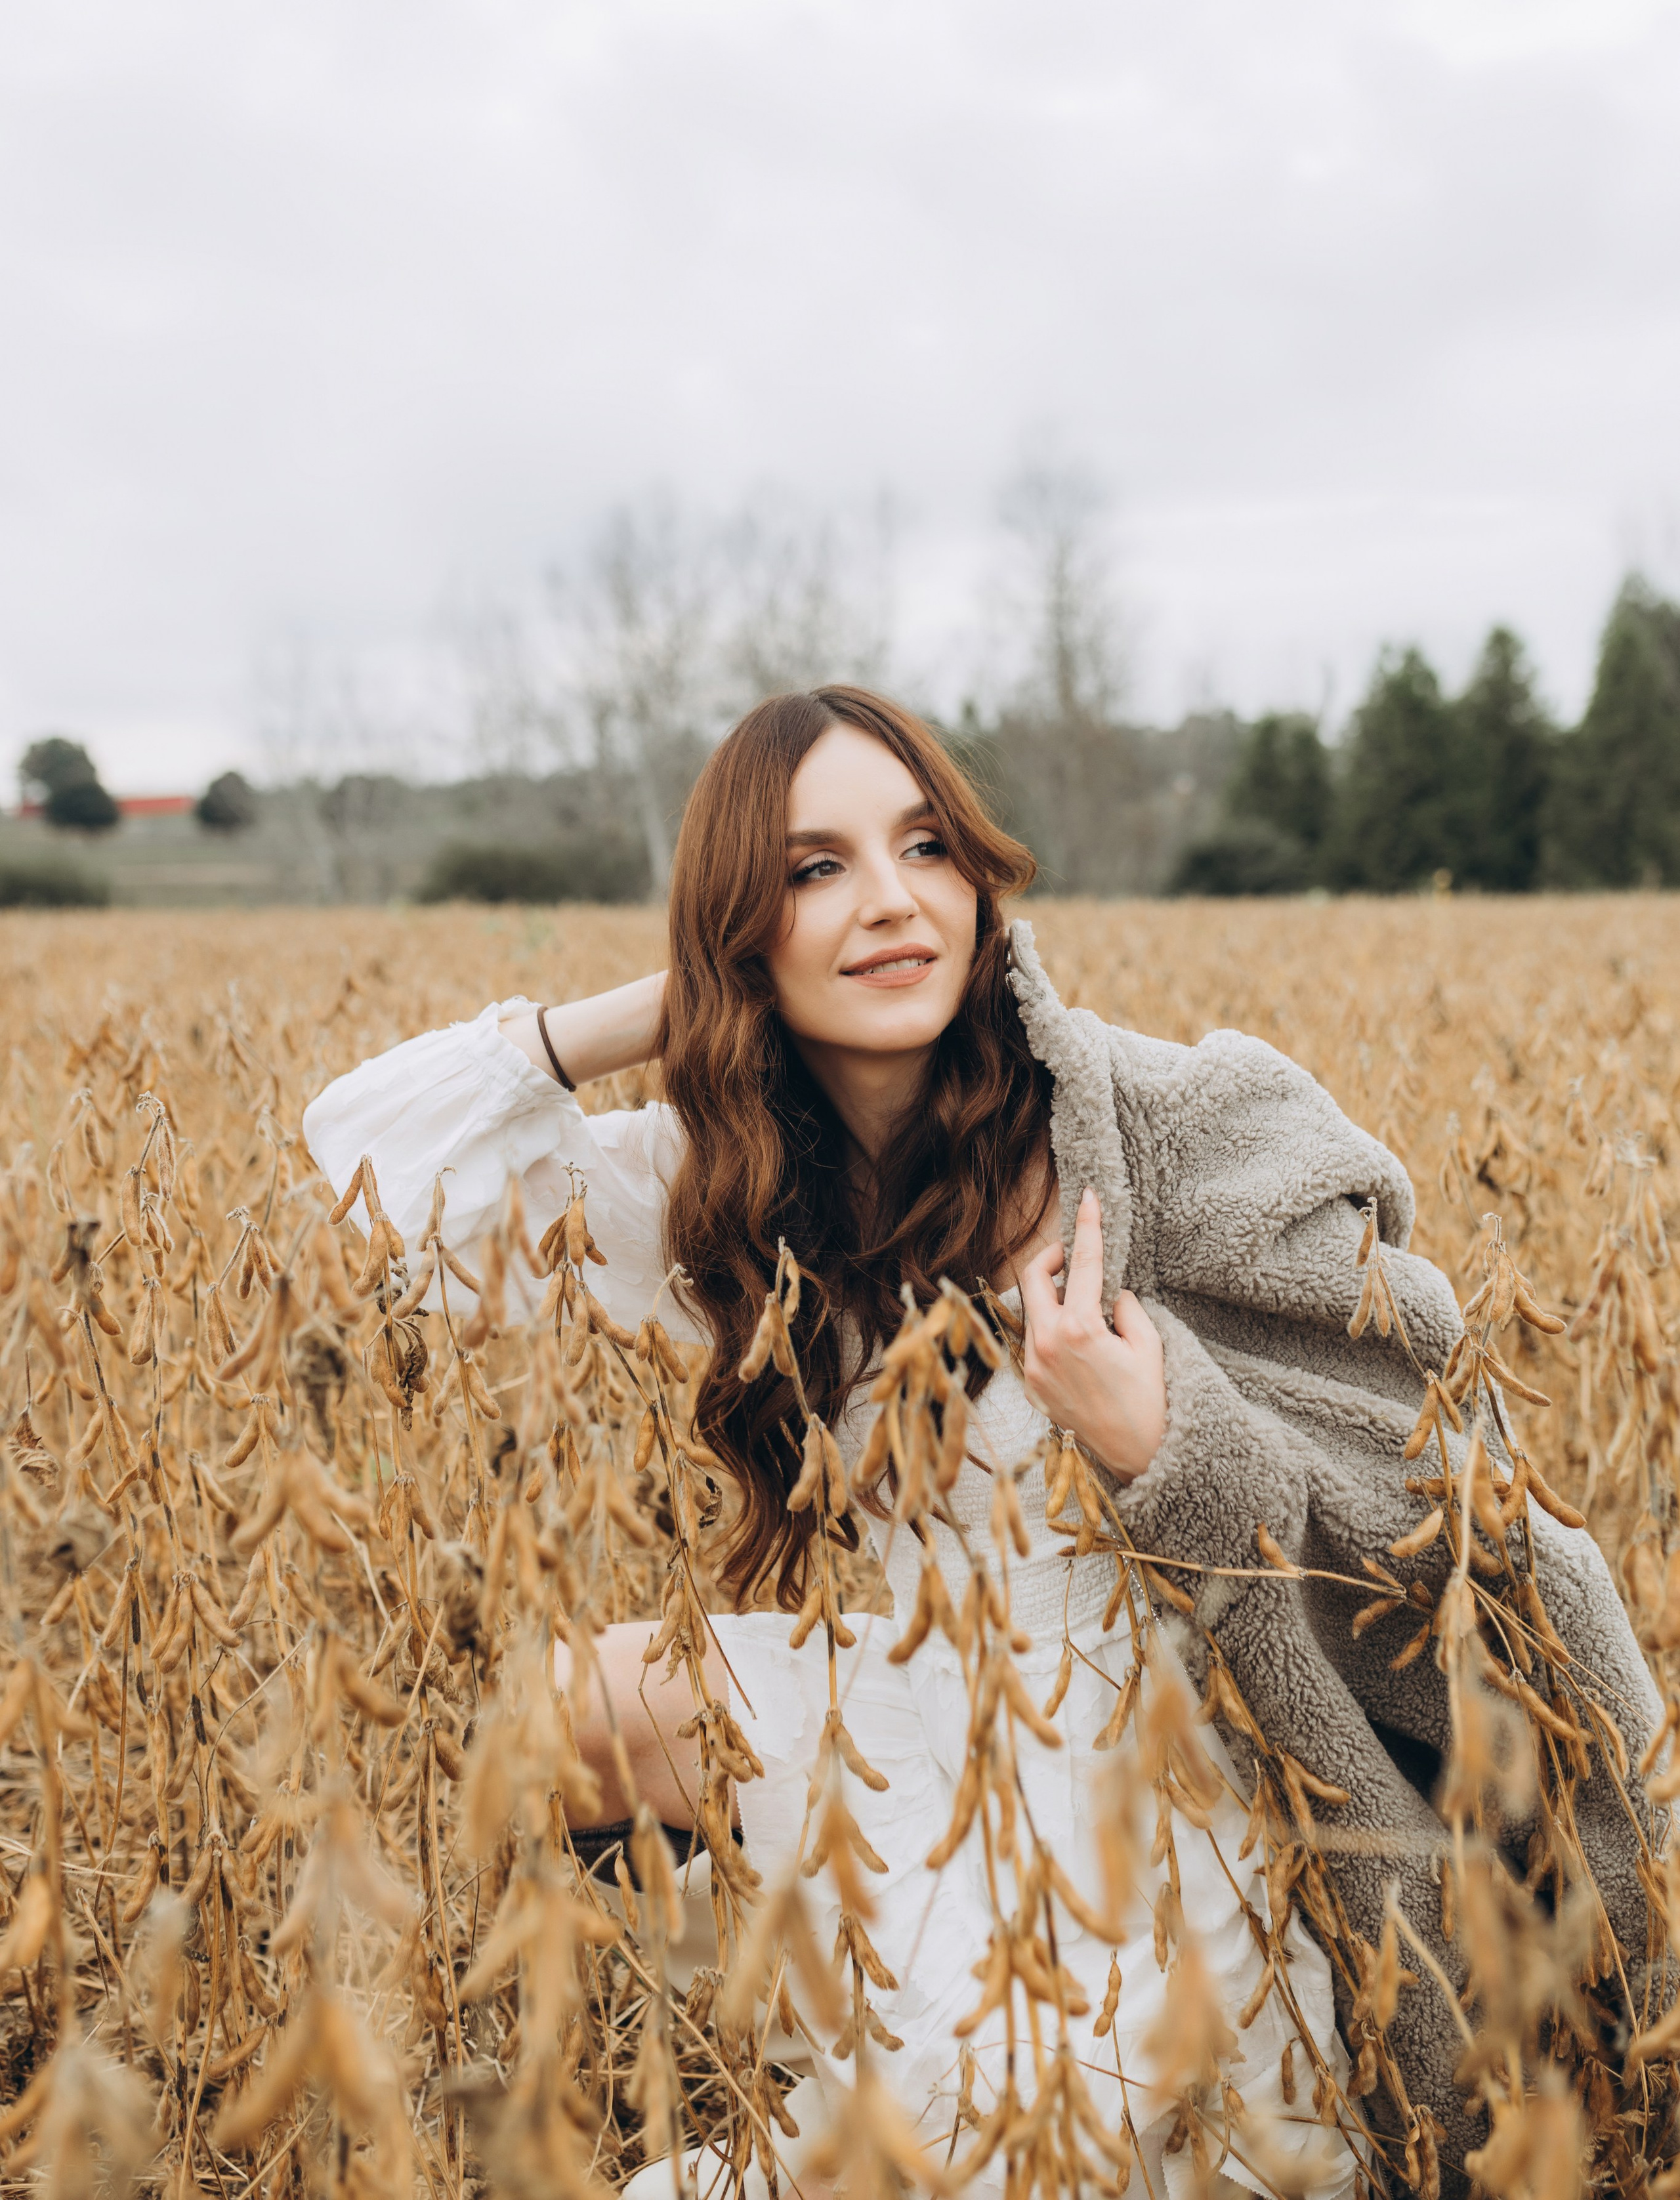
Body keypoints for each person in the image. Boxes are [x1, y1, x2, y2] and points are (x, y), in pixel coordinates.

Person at [304, 687, 1659, 2200]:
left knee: (998, 2149)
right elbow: (371, 1170)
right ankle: (806, 1989)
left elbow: (1439, 1488)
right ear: (740, 927)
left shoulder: (1171, 1120)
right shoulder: (744, 1190)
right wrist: (657, 1008)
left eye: (924, 848)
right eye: (814, 870)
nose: (890, 904)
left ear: (976, 876)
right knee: (571, 1710)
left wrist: (1167, 1442)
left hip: (1181, 1768)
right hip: (926, 1713)